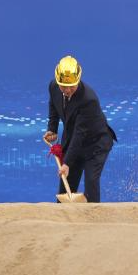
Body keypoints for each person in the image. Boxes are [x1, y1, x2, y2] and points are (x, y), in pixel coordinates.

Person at [44, 55, 116, 202]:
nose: (68, 90)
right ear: (58, 81)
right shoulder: (53, 87)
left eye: (72, 85)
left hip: (95, 144)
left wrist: (67, 163)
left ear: (78, 79)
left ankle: (93, 214)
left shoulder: (89, 99)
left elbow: (80, 133)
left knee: (91, 182)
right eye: (63, 86)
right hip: (74, 142)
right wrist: (52, 129)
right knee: (65, 188)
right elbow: (54, 106)